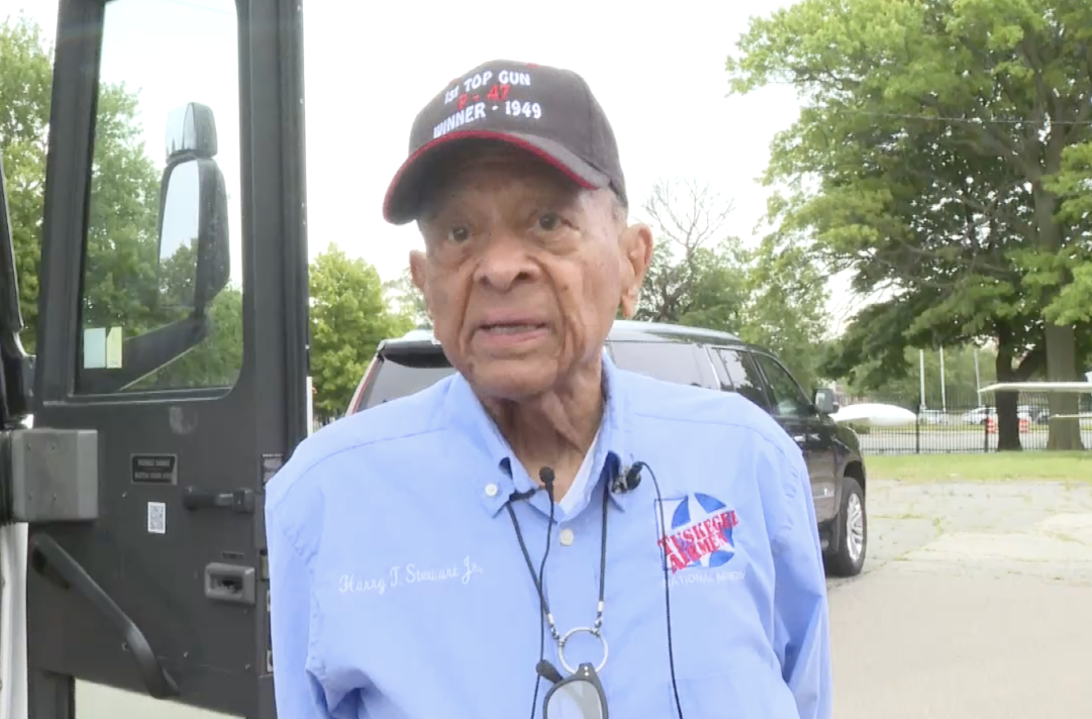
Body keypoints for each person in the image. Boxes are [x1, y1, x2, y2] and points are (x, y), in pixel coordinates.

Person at [265, 59, 831, 719]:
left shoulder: (749, 464)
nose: (501, 268)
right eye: (459, 233)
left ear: (632, 260)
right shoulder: (326, 499)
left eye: (547, 222)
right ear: (424, 280)